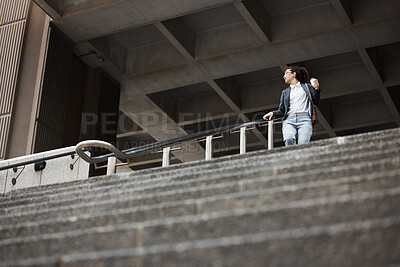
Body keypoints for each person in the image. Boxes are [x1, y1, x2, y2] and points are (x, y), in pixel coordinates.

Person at [263, 66, 320, 146]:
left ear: (294, 74)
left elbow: (316, 101)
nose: (284, 76)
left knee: (303, 144)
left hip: (304, 119)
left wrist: (316, 89)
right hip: (289, 120)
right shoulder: (285, 92)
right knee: (288, 139)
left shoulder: (307, 87)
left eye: (286, 73)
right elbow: (282, 110)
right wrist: (273, 113)